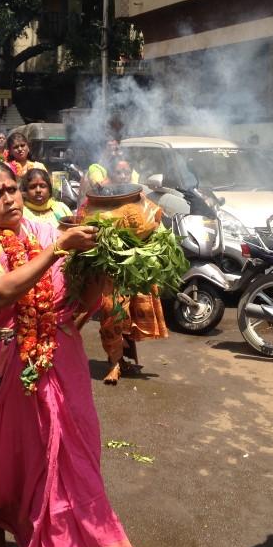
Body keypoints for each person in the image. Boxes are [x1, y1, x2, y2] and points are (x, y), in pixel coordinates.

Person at [0, 160, 154, 547]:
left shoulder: (35, 238)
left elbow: (75, 305)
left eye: (13, 189)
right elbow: (0, 291)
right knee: (10, 466)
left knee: (64, 466)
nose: (10, 199)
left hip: (55, 361)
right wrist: (60, 248)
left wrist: (101, 267)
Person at [96, 159, 168, 385]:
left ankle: (125, 361)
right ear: (112, 176)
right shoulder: (101, 203)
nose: (124, 175)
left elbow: (157, 225)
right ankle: (114, 363)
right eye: (119, 172)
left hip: (136, 269)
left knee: (131, 317)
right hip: (111, 271)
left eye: (127, 171)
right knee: (112, 314)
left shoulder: (142, 200)